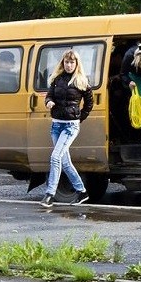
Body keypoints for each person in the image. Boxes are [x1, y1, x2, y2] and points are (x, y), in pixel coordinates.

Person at [40, 50, 94, 208]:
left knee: (55, 157)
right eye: (66, 62)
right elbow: (49, 96)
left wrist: (79, 118)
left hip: (70, 126)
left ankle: (49, 194)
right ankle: (82, 192)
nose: (69, 65)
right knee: (65, 162)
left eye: (72, 62)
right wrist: (48, 102)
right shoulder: (57, 79)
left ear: (77, 64)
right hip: (56, 125)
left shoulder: (81, 81)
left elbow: (89, 104)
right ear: (62, 63)